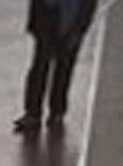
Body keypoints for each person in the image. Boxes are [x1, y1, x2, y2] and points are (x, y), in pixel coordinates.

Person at [16, 0, 95, 133]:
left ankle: (56, 111)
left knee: (64, 66)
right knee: (41, 64)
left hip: (72, 18)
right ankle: (33, 113)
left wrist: (81, 27)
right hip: (48, 14)